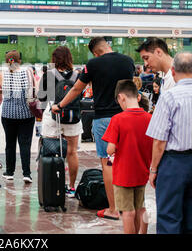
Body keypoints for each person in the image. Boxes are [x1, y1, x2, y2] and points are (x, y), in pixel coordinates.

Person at [51, 37, 135, 219]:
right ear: (108, 46)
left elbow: (76, 90)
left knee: (108, 163)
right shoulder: (128, 61)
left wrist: (60, 105)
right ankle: (127, 206)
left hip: (105, 120)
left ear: (95, 52)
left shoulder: (94, 64)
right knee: (125, 162)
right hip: (127, 117)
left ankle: (113, 209)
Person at [146, 52, 192, 234]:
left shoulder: (168, 97)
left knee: (169, 218)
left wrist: (154, 169)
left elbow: (159, 141)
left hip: (173, 163)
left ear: (173, 71)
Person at [103, 80, 153, 234]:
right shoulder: (149, 118)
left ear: (121, 97)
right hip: (142, 171)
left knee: (128, 212)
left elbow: (110, 149)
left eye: (119, 101)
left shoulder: (118, 119)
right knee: (141, 208)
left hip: (123, 174)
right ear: (137, 96)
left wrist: (111, 150)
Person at [40, 46, 83, 193]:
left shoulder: (49, 74)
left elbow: (41, 97)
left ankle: (53, 187)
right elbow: (80, 95)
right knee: (72, 152)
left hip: (52, 115)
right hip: (72, 116)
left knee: (50, 152)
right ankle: (71, 187)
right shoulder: (78, 75)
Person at [0, 50, 35, 183]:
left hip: (8, 114)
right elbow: (32, 89)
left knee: (10, 143)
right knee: (25, 144)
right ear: (19, 60)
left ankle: (9, 172)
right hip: (26, 114)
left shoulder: (3, 73)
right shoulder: (27, 71)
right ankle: (27, 173)